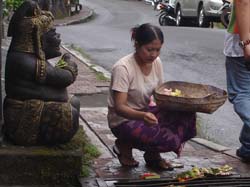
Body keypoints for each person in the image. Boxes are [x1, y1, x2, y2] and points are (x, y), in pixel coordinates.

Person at [107, 23, 196, 170]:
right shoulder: (122, 68)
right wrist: (142, 116)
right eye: (149, 50)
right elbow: (120, 107)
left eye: (158, 50)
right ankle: (124, 144)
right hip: (124, 120)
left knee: (187, 117)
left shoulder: (156, 62)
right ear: (136, 45)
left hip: (148, 112)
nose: (154, 54)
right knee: (167, 138)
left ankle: (152, 155)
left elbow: (159, 93)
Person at [3, 0, 79, 146]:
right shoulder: (25, 61)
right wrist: (68, 63)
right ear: (38, 39)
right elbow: (65, 78)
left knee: (74, 102)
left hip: (30, 109)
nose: (58, 38)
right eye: (53, 33)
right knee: (70, 114)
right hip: (22, 122)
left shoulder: (29, 57)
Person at [224, 0, 250, 162]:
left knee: (241, 94)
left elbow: (244, 1)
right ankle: (247, 148)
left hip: (243, 44)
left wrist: (246, 42)